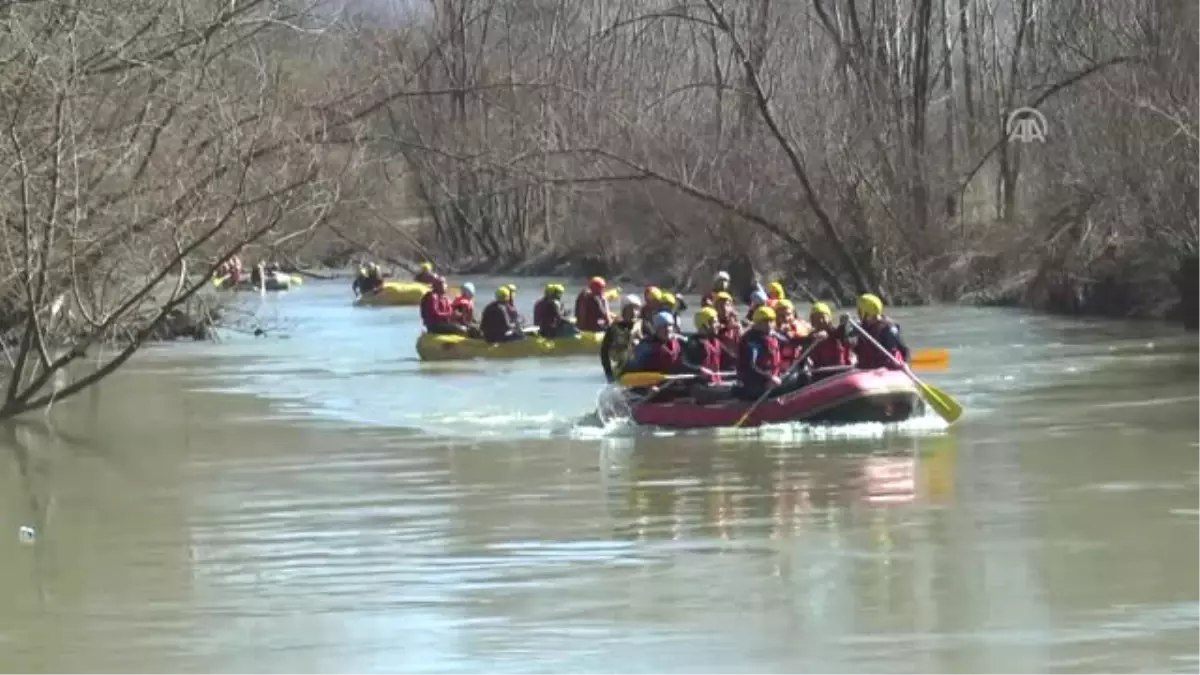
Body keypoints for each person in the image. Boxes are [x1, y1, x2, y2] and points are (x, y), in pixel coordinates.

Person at [733, 305, 792, 401]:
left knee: (795, 377)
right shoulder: (751, 340)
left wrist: (812, 337)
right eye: (765, 321)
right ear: (757, 323)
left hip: (772, 377)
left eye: (771, 321)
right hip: (754, 380)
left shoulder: (773, 334)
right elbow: (753, 365)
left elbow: (790, 342)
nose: (769, 325)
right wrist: (769, 377)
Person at [841, 293, 910, 369]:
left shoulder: (888, 328)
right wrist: (844, 326)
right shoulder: (861, 326)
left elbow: (904, 349)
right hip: (865, 369)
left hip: (884, 370)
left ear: (867, 312)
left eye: (860, 311)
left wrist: (905, 363)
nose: (858, 313)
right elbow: (846, 340)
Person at [600, 294, 644, 382]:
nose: (633, 312)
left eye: (636, 309)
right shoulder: (613, 329)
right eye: (630, 309)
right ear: (623, 311)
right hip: (621, 371)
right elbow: (604, 352)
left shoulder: (644, 326)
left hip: (640, 370)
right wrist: (608, 373)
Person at [801, 302, 853, 373]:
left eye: (823, 317)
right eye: (816, 318)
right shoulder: (810, 338)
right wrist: (814, 337)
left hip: (840, 371)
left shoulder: (836, 333)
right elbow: (803, 354)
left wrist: (844, 324)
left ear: (829, 318)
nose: (820, 321)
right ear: (812, 321)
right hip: (820, 374)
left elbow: (845, 335)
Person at [682, 308, 725, 383]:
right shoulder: (694, 343)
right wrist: (699, 369)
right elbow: (684, 363)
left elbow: (731, 359)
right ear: (705, 325)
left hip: (715, 383)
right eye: (715, 322)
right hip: (699, 385)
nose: (718, 325)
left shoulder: (716, 341)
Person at [774, 299, 813, 366]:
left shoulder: (803, 325)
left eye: (789, 314)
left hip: (798, 366)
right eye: (781, 316)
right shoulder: (771, 329)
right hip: (779, 369)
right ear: (776, 316)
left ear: (794, 314)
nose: (786, 318)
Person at [713, 292, 742, 370]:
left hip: (735, 363)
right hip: (719, 363)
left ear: (732, 307)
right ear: (715, 307)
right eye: (720, 305)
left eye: (727, 305)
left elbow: (741, 341)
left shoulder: (736, 323)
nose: (724, 308)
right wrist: (726, 327)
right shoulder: (713, 323)